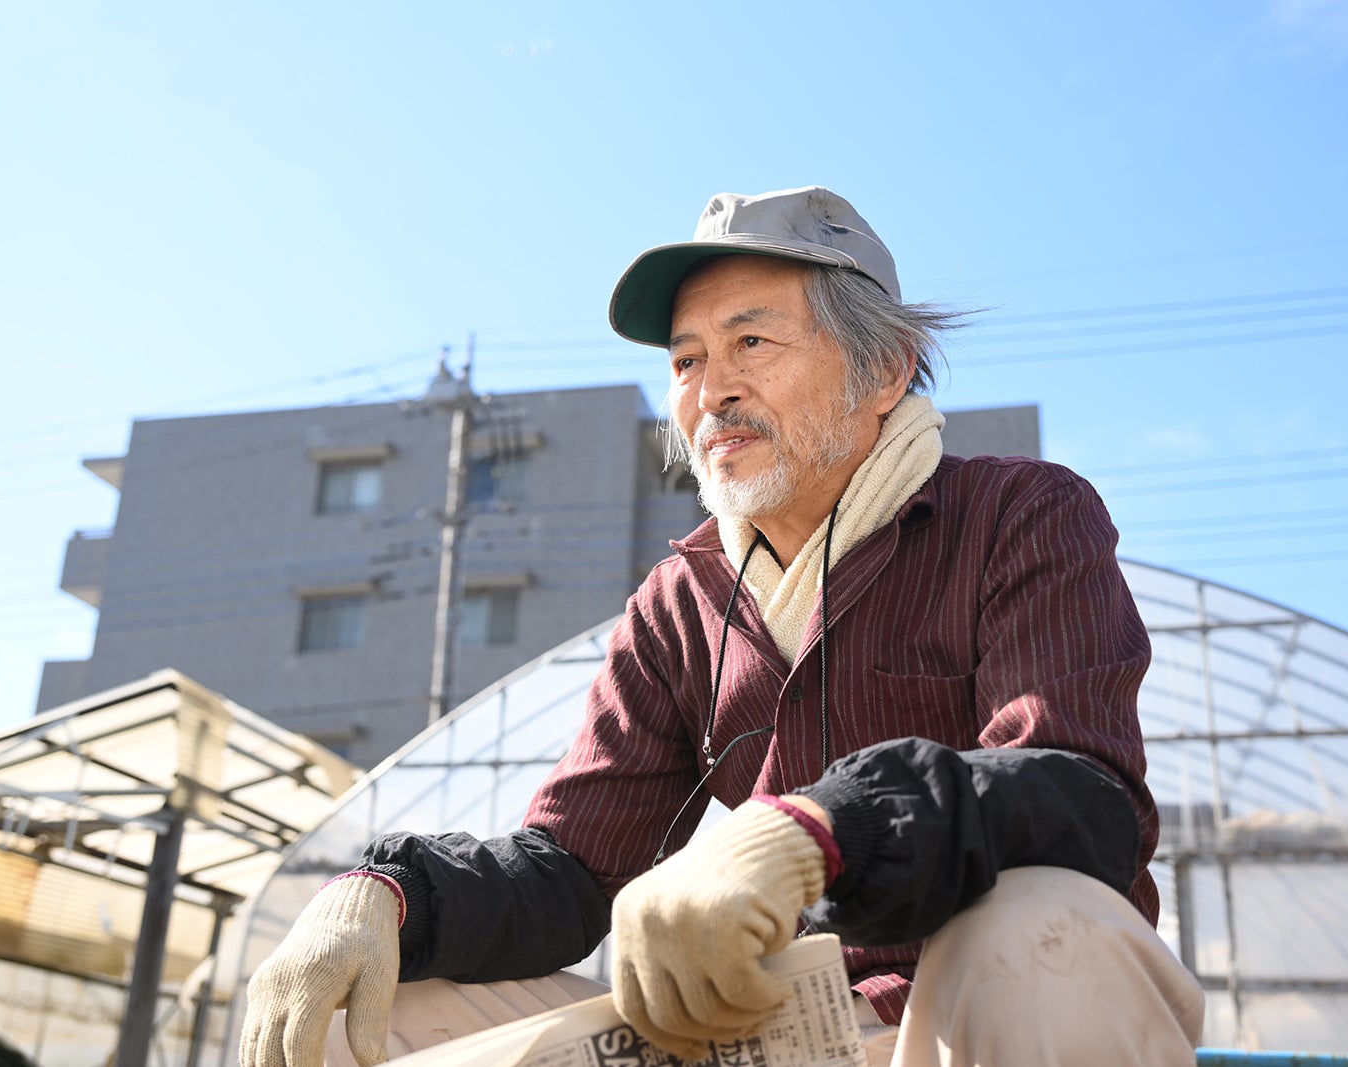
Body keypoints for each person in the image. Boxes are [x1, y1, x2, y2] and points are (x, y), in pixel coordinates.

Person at [239, 186, 1206, 1067]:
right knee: (363, 1004)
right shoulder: (680, 599)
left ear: (885, 368)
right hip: (770, 1030)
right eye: (688, 360)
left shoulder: (1018, 514)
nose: (711, 392)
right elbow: (574, 868)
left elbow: (1082, 796)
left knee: (1048, 919)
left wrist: (821, 830)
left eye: (752, 343)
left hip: (952, 1025)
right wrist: (390, 893)